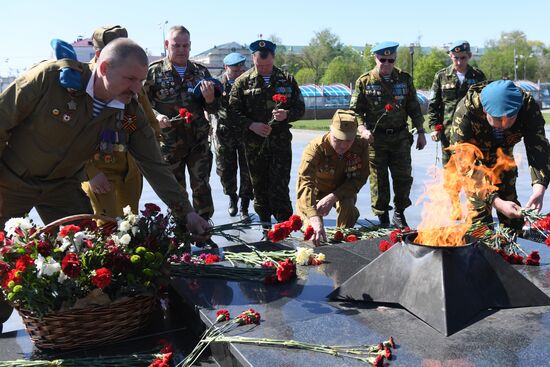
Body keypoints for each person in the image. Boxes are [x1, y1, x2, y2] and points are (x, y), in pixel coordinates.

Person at [0, 38, 209, 329]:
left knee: (85, 255)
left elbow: (154, 163)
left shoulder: (127, 114)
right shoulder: (50, 81)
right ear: (105, 67)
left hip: (61, 186)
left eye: (141, 80)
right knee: (4, 262)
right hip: (11, 181)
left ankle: (75, 326)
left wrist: (186, 212)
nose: (137, 88)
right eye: (130, 79)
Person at [81, 25, 161, 219]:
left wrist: (142, 144)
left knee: (129, 224)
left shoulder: (132, 82)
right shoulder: (84, 84)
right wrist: (90, 172)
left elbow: (147, 122)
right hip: (99, 170)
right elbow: (69, 139)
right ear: (100, 54)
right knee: (106, 226)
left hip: (129, 169)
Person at [450, 79, 550, 232]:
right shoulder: (466, 112)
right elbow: (464, 164)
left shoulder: (528, 106)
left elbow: (539, 148)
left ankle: (510, 252)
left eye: (511, 118)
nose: (504, 125)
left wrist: (539, 187)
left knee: (513, 217)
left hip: (504, 159)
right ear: (485, 110)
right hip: (475, 164)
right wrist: (496, 202)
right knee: (479, 219)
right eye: (498, 119)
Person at [145, 25, 219, 220]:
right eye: (177, 45)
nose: (181, 50)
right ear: (167, 45)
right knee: (176, 191)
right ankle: (182, 234)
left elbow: (216, 108)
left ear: (190, 46)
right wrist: (156, 117)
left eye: (185, 45)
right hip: (170, 143)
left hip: (198, 142)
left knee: (201, 186)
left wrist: (210, 100)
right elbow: (140, 104)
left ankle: (203, 231)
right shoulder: (153, 73)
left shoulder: (201, 72)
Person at [229, 39, 305, 228]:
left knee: (280, 185)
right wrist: (251, 125)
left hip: (280, 143)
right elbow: (232, 112)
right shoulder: (243, 82)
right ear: (252, 58)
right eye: (259, 65)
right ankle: (265, 226)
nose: (263, 68)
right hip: (255, 144)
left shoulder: (286, 79)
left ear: (273, 58)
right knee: (259, 186)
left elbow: (300, 107)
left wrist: (287, 115)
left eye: (267, 65)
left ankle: (284, 227)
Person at [350, 41, 426, 228]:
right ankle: (383, 217)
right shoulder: (365, 81)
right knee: (379, 180)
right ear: (375, 58)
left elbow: (414, 108)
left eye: (390, 60)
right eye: (382, 59)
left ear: (395, 59)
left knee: (403, 177)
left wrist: (421, 131)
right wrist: (362, 129)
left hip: (400, 137)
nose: (386, 64)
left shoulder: (404, 79)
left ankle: (399, 213)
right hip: (376, 139)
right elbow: (355, 111)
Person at [296, 110, 369, 246]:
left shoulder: (361, 146)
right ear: (331, 131)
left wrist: (334, 197)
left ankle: (342, 241)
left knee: (347, 210)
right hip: (314, 194)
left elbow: (360, 178)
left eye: (348, 140)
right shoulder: (315, 148)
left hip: (343, 191)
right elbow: (305, 183)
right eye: (338, 140)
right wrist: (313, 217)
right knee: (312, 233)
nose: (343, 146)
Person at [427, 40, 486, 165]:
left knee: (471, 174)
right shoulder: (441, 76)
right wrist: (434, 127)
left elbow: (485, 104)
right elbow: (433, 104)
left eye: (463, 58)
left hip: (472, 134)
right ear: (450, 56)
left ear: (469, 56)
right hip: (448, 133)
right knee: (450, 175)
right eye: (456, 58)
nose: (459, 62)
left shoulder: (478, 76)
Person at [211, 52, 253, 220]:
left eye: (240, 70)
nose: (238, 74)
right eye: (234, 71)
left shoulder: (248, 83)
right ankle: (232, 198)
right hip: (224, 134)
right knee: (226, 169)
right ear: (226, 68)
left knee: (247, 170)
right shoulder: (216, 85)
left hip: (245, 134)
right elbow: (211, 107)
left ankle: (244, 206)